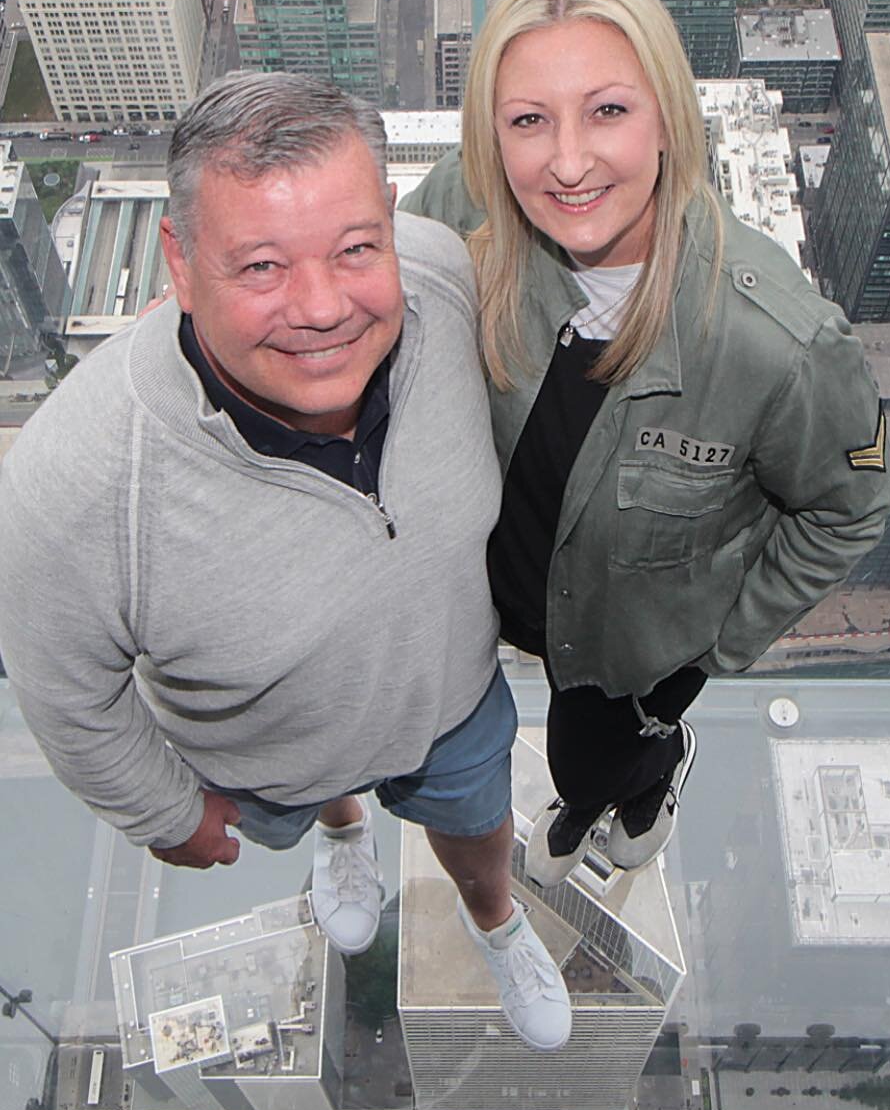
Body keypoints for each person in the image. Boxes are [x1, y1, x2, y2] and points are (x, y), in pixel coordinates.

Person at [0, 72, 571, 1053]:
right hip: (266, 756)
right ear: (179, 262)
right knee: (320, 793)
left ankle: (495, 919)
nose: (321, 308)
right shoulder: (78, 482)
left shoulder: (439, 283)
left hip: (454, 700)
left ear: (393, 226)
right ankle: (343, 835)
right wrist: (166, 812)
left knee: (480, 834)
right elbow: (61, 689)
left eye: (356, 248)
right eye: (261, 266)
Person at [402, 0, 890, 888]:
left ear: (667, 117)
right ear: (491, 137)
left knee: (586, 761)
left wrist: (710, 646)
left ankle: (636, 785)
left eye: (609, 110)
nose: (569, 161)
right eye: (529, 122)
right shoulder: (464, 212)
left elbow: (847, 510)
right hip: (494, 595)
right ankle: (605, 787)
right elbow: (369, 291)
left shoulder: (775, 344)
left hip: (633, 648)